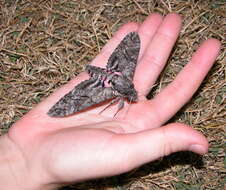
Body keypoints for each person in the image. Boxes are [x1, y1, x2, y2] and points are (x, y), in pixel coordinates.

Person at [0, 13, 221, 190]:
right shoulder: (121, 89)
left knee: (88, 97)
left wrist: (25, 162)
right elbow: (132, 47)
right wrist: (25, 160)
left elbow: (131, 50)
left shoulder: (125, 81)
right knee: (79, 101)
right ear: (129, 93)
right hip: (107, 80)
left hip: (112, 75)